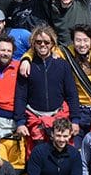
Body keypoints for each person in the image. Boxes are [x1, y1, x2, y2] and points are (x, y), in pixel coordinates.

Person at [13, 26, 81, 157]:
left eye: (46, 42)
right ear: (33, 44)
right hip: (35, 118)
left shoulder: (62, 65)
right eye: (38, 42)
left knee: (62, 156)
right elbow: (20, 96)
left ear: (52, 44)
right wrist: (20, 122)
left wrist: (75, 120)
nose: (42, 45)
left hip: (59, 117)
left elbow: (72, 94)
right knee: (37, 157)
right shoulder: (26, 66)